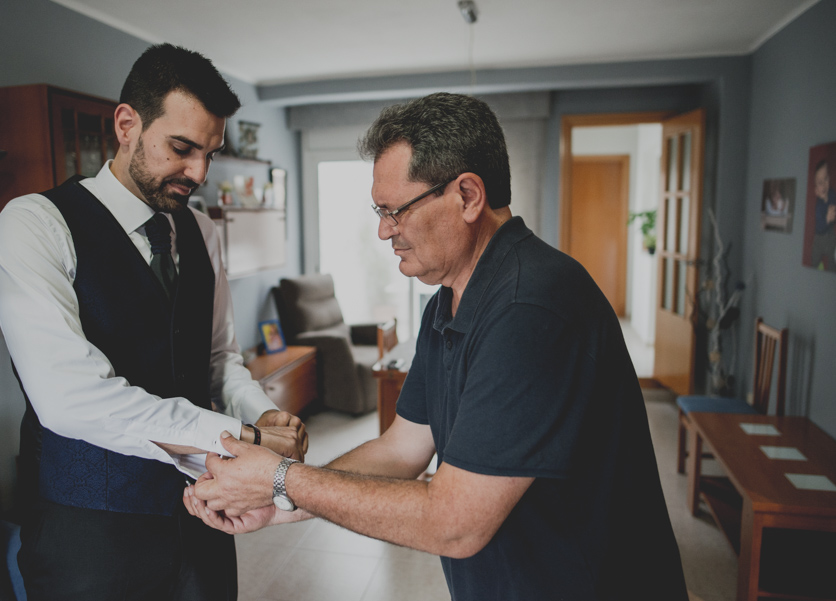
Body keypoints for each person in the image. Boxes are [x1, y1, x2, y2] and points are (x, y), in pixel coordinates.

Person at [184, 92, 689, 600]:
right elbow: (401, 449)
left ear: (468, 195)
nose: (384, 230)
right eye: (379, 211)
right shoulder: (446, 304)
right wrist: (283, 503)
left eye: (394, 210)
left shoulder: (530, 306)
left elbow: (454, 524)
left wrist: (282, 480)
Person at [0, 43, 308, 600]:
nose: (199, 172)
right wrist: (241, 434)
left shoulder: (202, 231)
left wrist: (264, 412)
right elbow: (70, 397)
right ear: (126, 124)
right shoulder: (35, 224)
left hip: (205, 515)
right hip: (91, 534)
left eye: (210, 153)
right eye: (182, 148)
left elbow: (217, 359)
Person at [811, 158, 836, 271]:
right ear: (816, 189)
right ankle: (818, 265)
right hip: (819, 237)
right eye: (820, 183)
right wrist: (827, 219)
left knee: (833, 257)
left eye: (826, 179)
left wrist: (833, 214)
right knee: (814, 257)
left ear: (829, 179)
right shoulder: (818, 205)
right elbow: (820, 226)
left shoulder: (832, 194)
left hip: (830, 235)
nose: (824, 185)